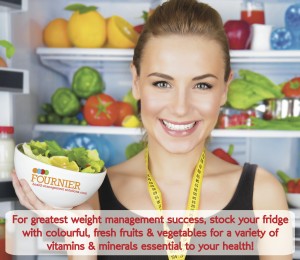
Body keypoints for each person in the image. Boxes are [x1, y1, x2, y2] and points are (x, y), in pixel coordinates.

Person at [12, 0, 291, 259]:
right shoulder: (93, 196)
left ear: (224, 90)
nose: (180, 108)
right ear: (136, 82)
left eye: (202, 85)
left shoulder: (262, 193)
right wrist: (81, 245)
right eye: (162, 83)